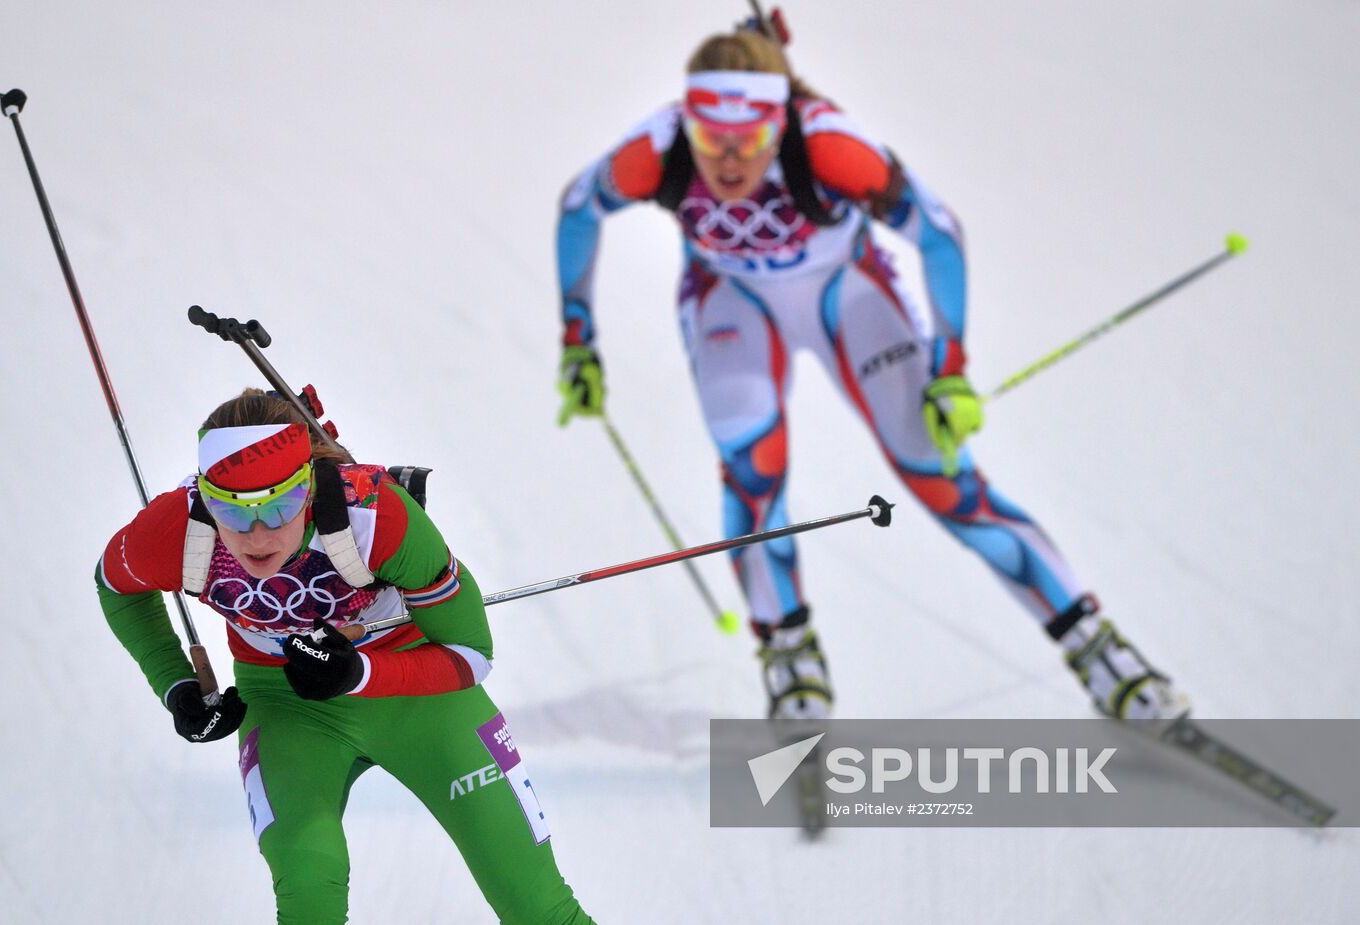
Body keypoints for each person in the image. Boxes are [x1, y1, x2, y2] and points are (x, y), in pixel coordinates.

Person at [553, 27, 1188, 725]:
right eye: (711, 141)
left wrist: (949, 370)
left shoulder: (825, 144)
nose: (729, 161)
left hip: (847, 292)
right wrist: (577, 339)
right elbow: (578, 206)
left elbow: (938, 231)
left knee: (944, 477)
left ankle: (1097, 649)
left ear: (778, 120)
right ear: (689, 122)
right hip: (731, 297)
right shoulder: (659, 148)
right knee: (751, 469)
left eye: (750, 141)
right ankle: (790, 654)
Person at [96, 389, 594, 925]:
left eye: (280, 506)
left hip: (417, 692)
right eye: (231, 513)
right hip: (287, 704)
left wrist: (360, 672)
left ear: (308, 485)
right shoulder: (176, 529)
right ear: (204, 498)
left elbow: (472, 655)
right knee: (309, 890)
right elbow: (114, 585)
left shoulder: (377, 517)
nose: (257, 535)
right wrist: (176, 686)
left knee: (538, 906)